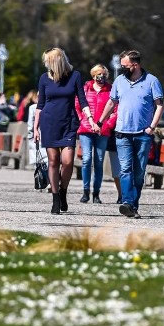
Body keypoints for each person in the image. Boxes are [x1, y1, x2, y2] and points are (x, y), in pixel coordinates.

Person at [96, 50, 164, 219]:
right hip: (122, 133)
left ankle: (133, 205)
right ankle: (127, 202)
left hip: (142, 134)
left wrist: (152, 127)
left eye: (125, 65)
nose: (122, 68)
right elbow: (112, 102)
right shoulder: (119, 81)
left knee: (139, 172)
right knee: (125, 169)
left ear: (135, 64)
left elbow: (160, 105)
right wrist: (100, 121)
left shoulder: (151, 81)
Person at [33, 48, 99, 215]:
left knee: (68, 161)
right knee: (53, 161)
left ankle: (63, 190)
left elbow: (83, 101)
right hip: (49, 123)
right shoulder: (44, 78)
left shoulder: (75, 76)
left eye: (48, 60)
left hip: (69, 123)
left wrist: (90, 119)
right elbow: (40, 105)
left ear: (57, 61)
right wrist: (35, 128)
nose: (46, 63)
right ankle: (56, 198)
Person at [75, 64, 116, 204]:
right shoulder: (86, 88)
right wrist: (83, 120)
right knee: (86, 159)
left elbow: (115, 110)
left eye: (103, 74)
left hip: (102, 130)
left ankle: (96, 193)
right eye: (98, 74)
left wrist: (107, 125)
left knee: (98, 162)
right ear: (93, 75)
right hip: (86, 128)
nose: (101, 76)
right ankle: (85, 191)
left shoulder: (110, 90)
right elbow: (77, 105)